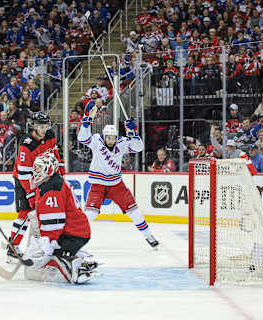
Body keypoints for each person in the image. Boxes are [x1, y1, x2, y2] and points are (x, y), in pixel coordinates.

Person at [77, 104, 159, 248]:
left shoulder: (121, 143)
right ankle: (77, 239)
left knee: (134, 211)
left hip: (117, 185)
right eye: (108, 138)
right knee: (90, 215)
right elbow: (82, 138)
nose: (111, 140)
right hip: (98, 185)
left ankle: (148, 236)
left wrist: (133, 132)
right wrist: (87, 119)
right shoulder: (96, 140)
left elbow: (139, 147)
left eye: (113, 138)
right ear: (104, 136)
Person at [24, 153, 97, 284]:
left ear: (49, 169)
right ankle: (78, 258)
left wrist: (48, 250)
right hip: (74, 231)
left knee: (49, 263)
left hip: (73, 234)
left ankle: (76, 267)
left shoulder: (53, 189)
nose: (35, 171)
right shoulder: (51, 182)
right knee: (45, 258)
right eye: (35, 168)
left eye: (39, 168)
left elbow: (55, 224)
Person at [8, 111, 65, 261]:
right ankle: (13, 245)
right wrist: (30, 193)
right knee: (25, 213)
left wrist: (60, 166)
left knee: (44, 211)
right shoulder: (26, 144)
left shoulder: (50, 135)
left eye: (46, 125)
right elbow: (23, 173)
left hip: (42, 177)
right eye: (41, 126)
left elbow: (54, 152)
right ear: (34, 126)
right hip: (24, 179)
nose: (44, 129)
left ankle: (44, 244)